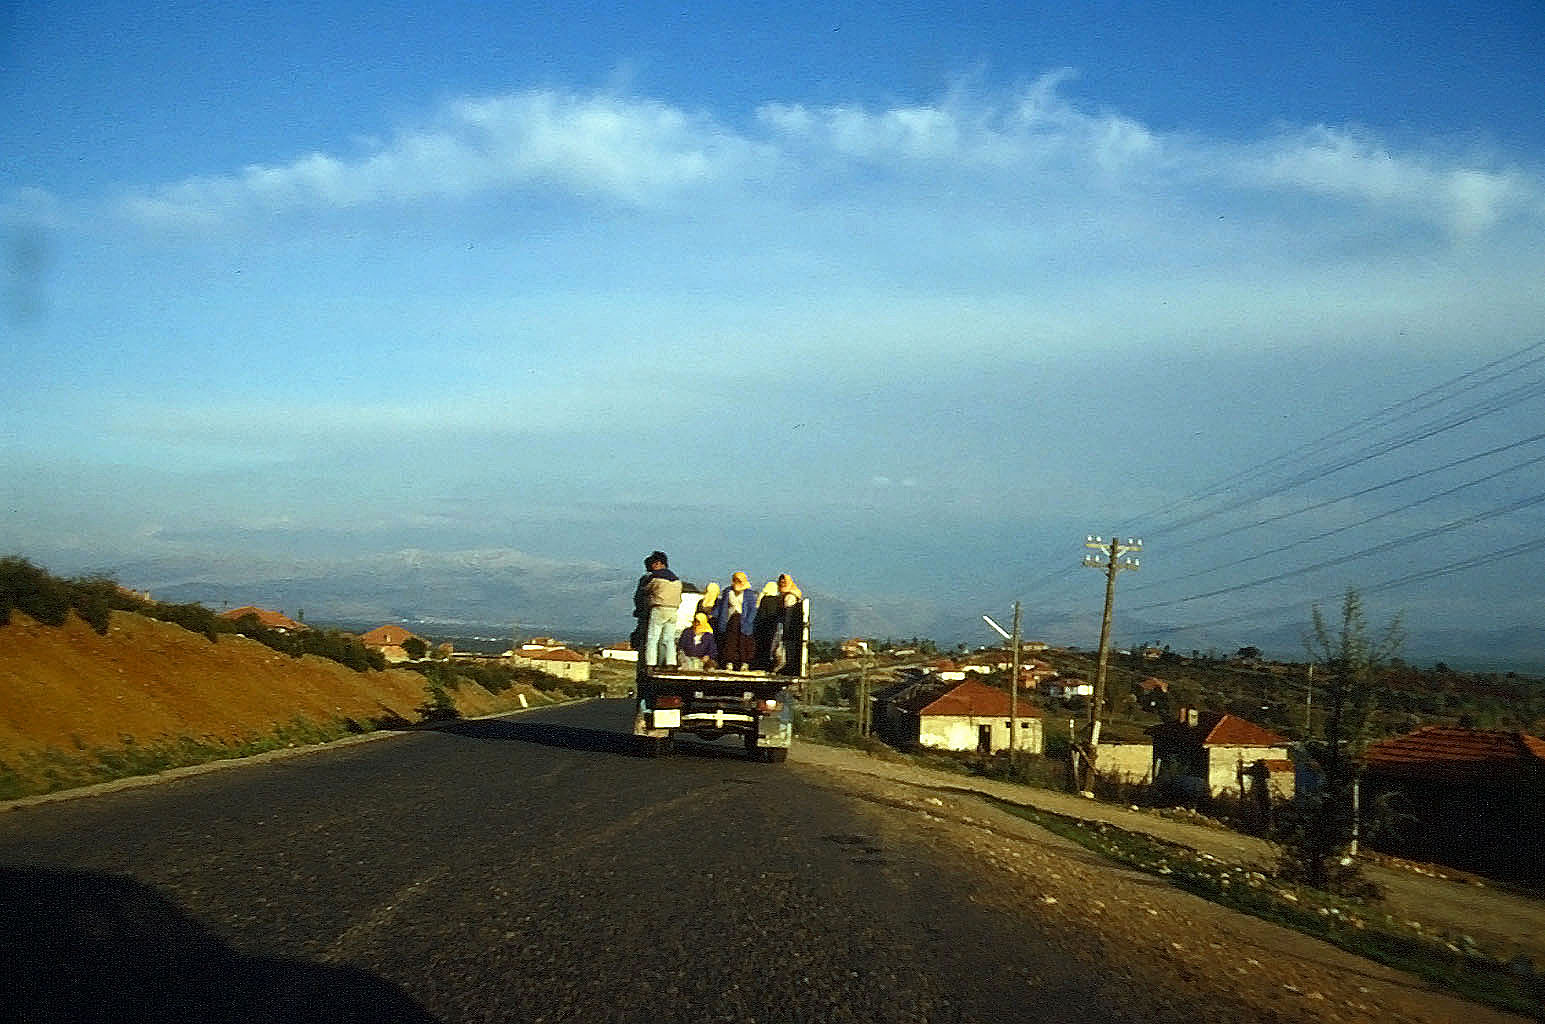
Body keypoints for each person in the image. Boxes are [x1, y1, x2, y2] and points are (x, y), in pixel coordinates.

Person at [632, 551, 683, 667]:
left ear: (658, 563)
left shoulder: (655, 578)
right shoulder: (677, 581)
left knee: (652, 638)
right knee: (668, 639)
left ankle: (650, 663)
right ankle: (671, 663)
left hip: (659, 608)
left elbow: (644, 591)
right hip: (673, 610)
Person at [712, 571, 757, 670]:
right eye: (736, 580)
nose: (737, 582)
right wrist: (714, 615)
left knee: (744, 642)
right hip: (730, 620)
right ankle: (729, 662)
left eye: (740, 580)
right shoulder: (728, 591)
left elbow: (752, 609)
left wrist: (749, 621)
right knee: (730, 642)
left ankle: (744, 663)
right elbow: (722, 606)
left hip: (743, 621)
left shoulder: (749, 594)